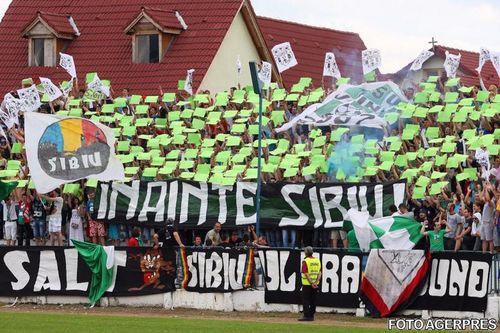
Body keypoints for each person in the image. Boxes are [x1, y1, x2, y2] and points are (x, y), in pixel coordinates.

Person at [299, 246, 321, 322]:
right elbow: (319, 272)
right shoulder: (317, 260)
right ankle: (311, 315)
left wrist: (311, 283)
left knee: (306, 300)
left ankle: (306, 316)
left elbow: (306, 273)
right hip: (315, 284)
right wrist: (316, 282)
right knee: (313, 300)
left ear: (306, 253)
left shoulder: (305, 261)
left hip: (307, 284)